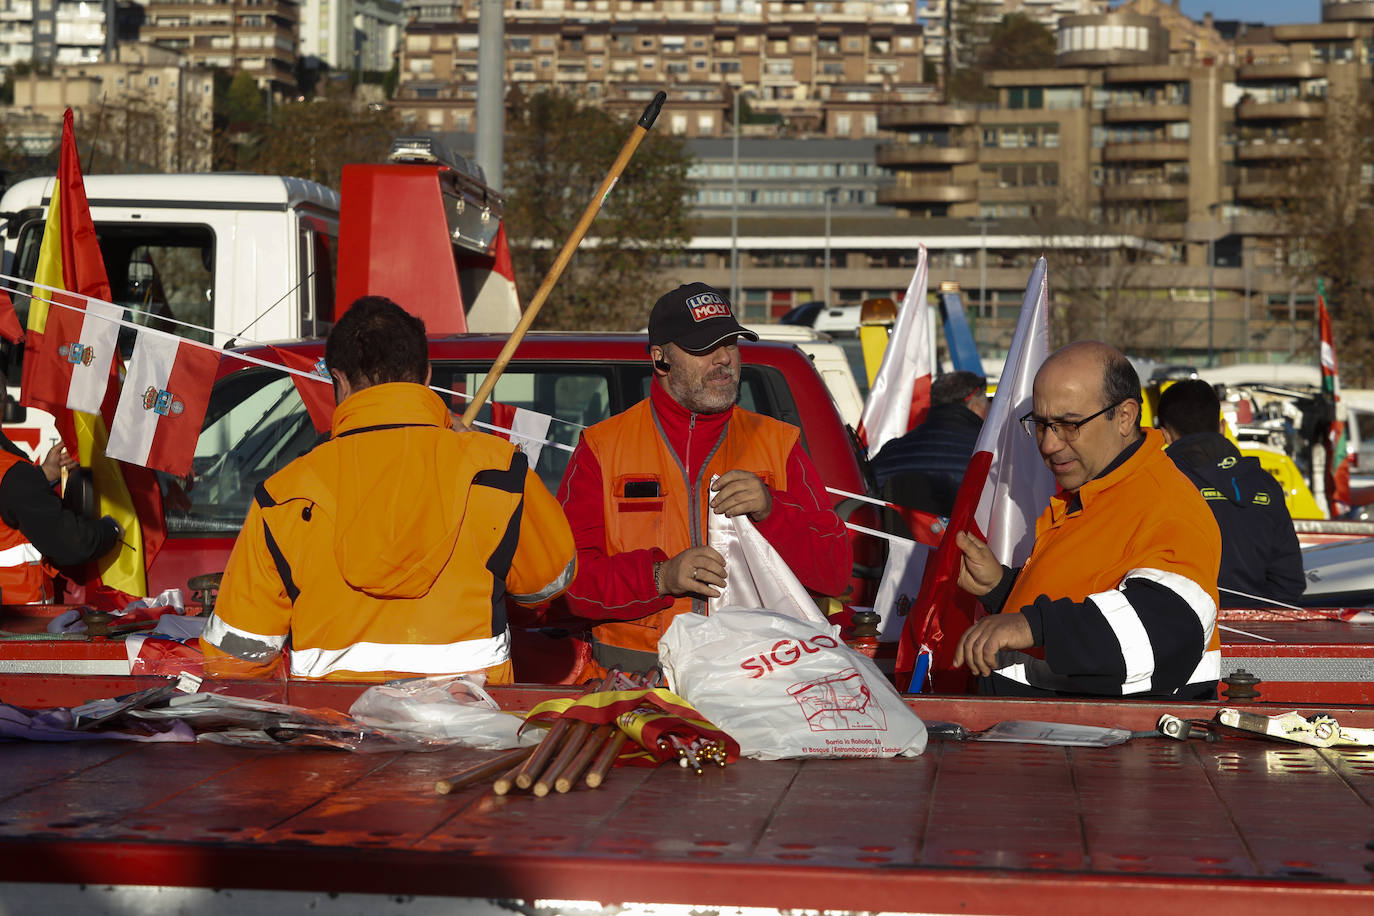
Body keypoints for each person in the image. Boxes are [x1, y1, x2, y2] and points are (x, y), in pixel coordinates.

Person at [202, 296, 576, 682]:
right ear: (427, 376)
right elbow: (551, 580)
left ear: (339, 381)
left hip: (331, 733)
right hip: (473, 727)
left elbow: (234, 659)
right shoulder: (496, 469)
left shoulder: (284, 494)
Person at [557, 282, 853, 673]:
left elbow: (834, 573)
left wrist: (773, 511)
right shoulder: (602, 447)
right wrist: (660, 577)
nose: (724, 359)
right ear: (660, 358)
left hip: (760, 684)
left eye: (731, 344)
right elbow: (566, 582)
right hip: (636, 688)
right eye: (703, 348)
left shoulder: (778, 442)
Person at [951, 341, 1223, 699]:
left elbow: (1163, 629)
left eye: (1068, 425)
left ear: (1125, 417)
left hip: (1114, 745)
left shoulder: (1165, 504)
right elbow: (1084, 596)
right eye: (1042, 424)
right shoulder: (1097, 491)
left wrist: (1031, 625)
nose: (1049, 444)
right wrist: (1002, 587)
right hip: (1059, 737)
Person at [1155, 379, 1304, 608]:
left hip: (1185, 632)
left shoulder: (1156, 484)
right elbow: (1289, 582)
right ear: (1222, 427)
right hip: (1260, 633)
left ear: (1165, 435)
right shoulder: (1266, 484)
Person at [0, 425, 122, 604]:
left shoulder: (13, 477)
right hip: (15, 620)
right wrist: (112, 529)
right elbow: (72, 543)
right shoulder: (11, 474)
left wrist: (41, 476)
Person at [869, 370, 988, 517]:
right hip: (965, 538)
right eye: (987, 404)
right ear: (975, 407)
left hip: (896, 538)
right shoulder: (989, 452)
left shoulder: (890, 451)